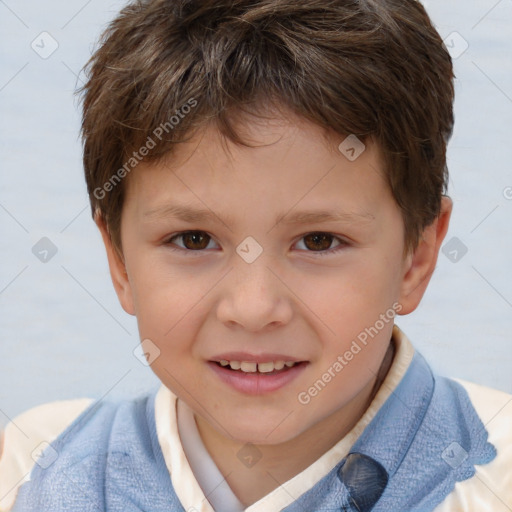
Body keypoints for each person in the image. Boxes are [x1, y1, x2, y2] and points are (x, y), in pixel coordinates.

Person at [1, 0, 511, 510]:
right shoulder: (35, 469)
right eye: (194, 240)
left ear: (415, 258)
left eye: (318, 241)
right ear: (119, 261)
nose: (253, 308)